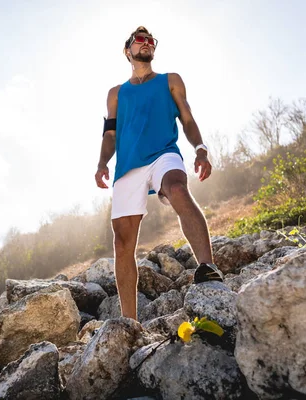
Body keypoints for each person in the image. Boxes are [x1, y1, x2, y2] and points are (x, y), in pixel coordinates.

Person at [94, 26, 223, 321]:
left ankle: (208, 268)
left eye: (150, 40)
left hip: (164, 153)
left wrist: (200, 149)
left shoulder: (170, 81)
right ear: (128, 51)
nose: (146, 43)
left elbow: (187, 118)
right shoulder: (115, 94)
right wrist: (102, 163)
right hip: (128, 166)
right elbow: (110, 135)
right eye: (140, 40)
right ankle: (130, 322)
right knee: (122, 242)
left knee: (177, 188)